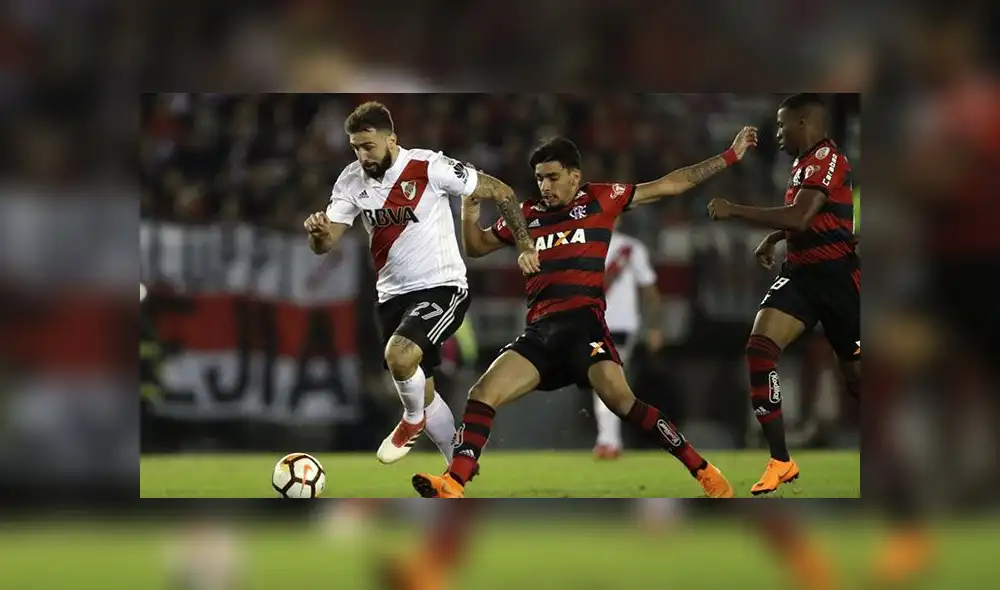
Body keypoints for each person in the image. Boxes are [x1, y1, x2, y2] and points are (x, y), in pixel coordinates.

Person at [411, 127, 758, 499]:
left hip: (584, 327)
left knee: (623, 403)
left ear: (575, 176)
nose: (545, 185)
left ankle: (703, 470)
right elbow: (477, 247)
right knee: (482, 393)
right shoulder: (526, 215)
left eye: (553, 177)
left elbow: (670, 184)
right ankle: (454, 483)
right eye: (540, 178)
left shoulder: (602, 199)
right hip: (541, 332)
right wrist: (469, 210)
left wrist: (730, 156)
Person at [304, 101, 538, 467]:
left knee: (400, 357)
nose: (362, 155)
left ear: (391, 140)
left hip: (443, 287)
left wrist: (524, 244)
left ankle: (410, 422)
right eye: (355, 148)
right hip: (391, 296)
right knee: (423, 390)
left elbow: (503, 192)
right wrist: (318, 234)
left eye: (368, 146)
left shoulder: (430, 166)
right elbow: (325, 244)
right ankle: (457, 469)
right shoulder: (350, 180)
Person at [706, 93, 860, 496]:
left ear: (805, 123)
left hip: (839, 279)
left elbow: (800, 215)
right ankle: (780, 460)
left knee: (859, 379)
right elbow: (805, 221)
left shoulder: (828, 159)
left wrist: (735, 210)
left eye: (781, 125)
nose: (777, 132)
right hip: (802, 275)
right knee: (759, 348)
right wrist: (776, 237)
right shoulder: (799, 163)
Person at [591, 218, 663, 459]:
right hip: (599, 325)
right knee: (605, 382)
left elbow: (650, 291)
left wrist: (654, 327)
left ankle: (609, 441)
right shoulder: (625, 249)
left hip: (618, 325)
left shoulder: (629, 249)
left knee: (605, 381)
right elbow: (651, 292)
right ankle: (610, 439)